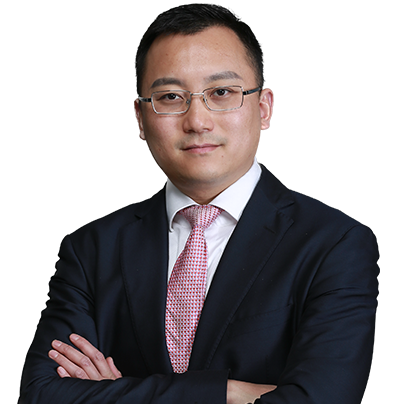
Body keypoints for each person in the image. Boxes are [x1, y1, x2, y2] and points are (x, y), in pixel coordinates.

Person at [18, 4, 379, 404]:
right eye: (170, 97)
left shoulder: (335, 243)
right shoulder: (91, 250)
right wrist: (227, 391)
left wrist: (112, 393)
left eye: (221, 93)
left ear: (263, 108)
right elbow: (41, 394)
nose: (197, 121)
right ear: (140, 118)